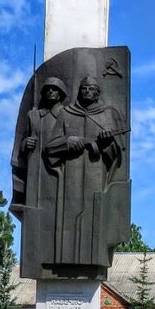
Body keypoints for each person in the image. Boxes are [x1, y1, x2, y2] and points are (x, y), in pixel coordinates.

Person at [41, 76, 128, 269]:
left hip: (96, 174)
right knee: (68, 217)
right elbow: (49, 148)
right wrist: (68, 141)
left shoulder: (108, 114)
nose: (87, 92)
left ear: (98, 92)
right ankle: (63, 261)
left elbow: (119, 154)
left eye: (91, 89)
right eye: (83, 88)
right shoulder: (66, 114)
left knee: (93, 217)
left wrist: (106, 144)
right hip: (70, 173)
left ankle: (92, 261)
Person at [9, 77, 66, 216]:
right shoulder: (33, 116)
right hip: (36, 167)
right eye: (47, 89)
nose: (51, 91)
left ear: (61, 93)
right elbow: (21, 142)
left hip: (58, 167)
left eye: (54, 89)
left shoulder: (67, 114)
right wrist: (25, 143)